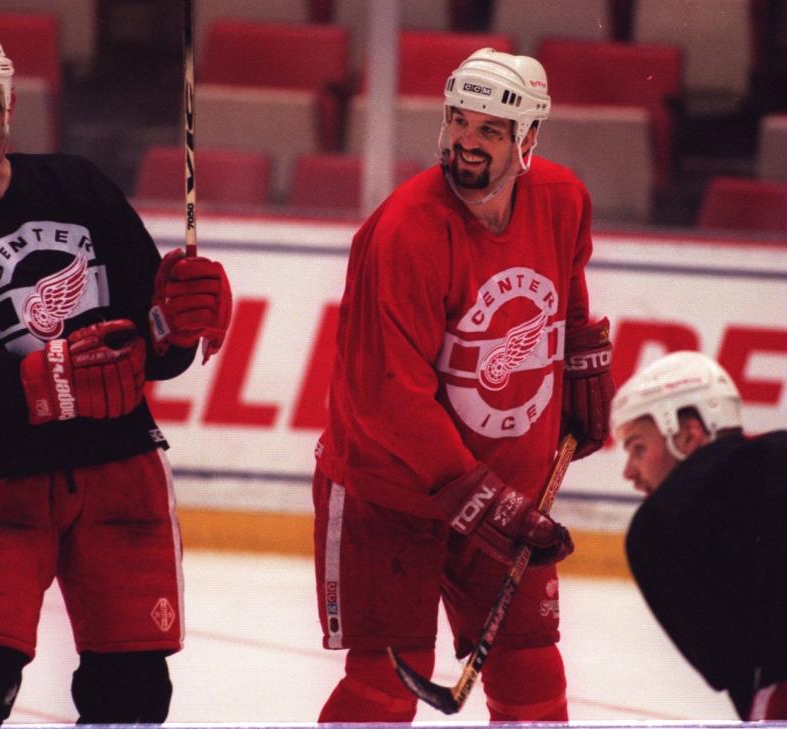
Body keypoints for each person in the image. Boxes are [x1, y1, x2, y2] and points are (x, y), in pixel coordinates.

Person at [0, 29, 231, 725]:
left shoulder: (79, 187)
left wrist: (175, 326)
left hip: (119, 470)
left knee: (135, 693)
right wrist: (47, 381)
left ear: (8, 107)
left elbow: (153, 345)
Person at [312, 47, 614, 722]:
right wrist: (490, 507)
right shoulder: (406, 231)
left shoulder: (563, 200)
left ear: (528, 137)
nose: (466, 143)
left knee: (533, 669)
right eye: (459, 122)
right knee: (388, 679)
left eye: (490, 130)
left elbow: (563, 296)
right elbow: (389, 396)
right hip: (391, 492)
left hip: (505, 481)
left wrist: (583, 358)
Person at [612, 351, 787, 721]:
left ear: (689, 434)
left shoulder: (656, 525)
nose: (629, 472)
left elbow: (723, 663)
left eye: (638, 448)